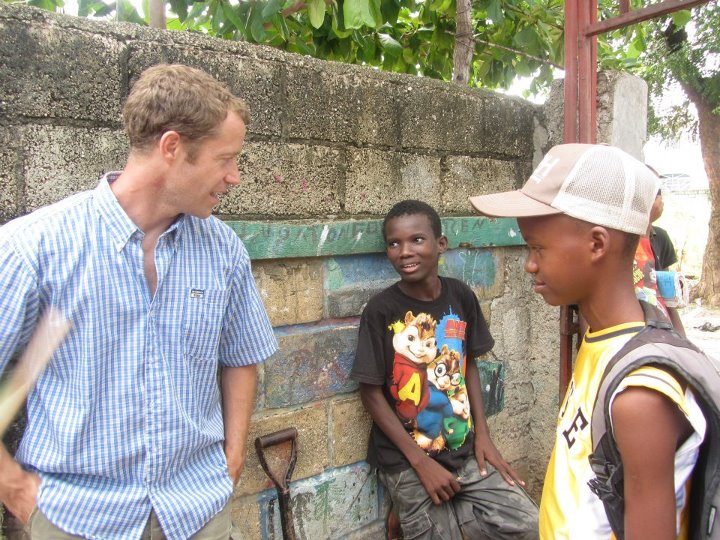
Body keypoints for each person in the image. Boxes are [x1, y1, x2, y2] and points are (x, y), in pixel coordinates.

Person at [0, 64, 278, 539]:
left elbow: (241, 356)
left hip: (197, 513)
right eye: (225, 158)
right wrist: (13, 486)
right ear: (172, 148)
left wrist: (231, 462)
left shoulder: (223, 250)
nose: (234, 177)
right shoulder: (35, 248)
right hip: (75, 519)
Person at [469, 144, 706, 539]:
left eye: (537, 247)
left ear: (597, 244)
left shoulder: (640, 395)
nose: (529, 263)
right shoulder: (600, 340)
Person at [350, 200, 539, 540]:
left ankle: (438, 512)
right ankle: (411, 504)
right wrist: (420, 465)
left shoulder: (460, 296)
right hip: (405, 459)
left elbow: (469, 367)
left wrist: (484, 435)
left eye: (417, 240)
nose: (405, 251)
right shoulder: (382, 310)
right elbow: (370, 394)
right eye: (394, 243)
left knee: (531, 526)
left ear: (441, 244)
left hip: (461, 448)